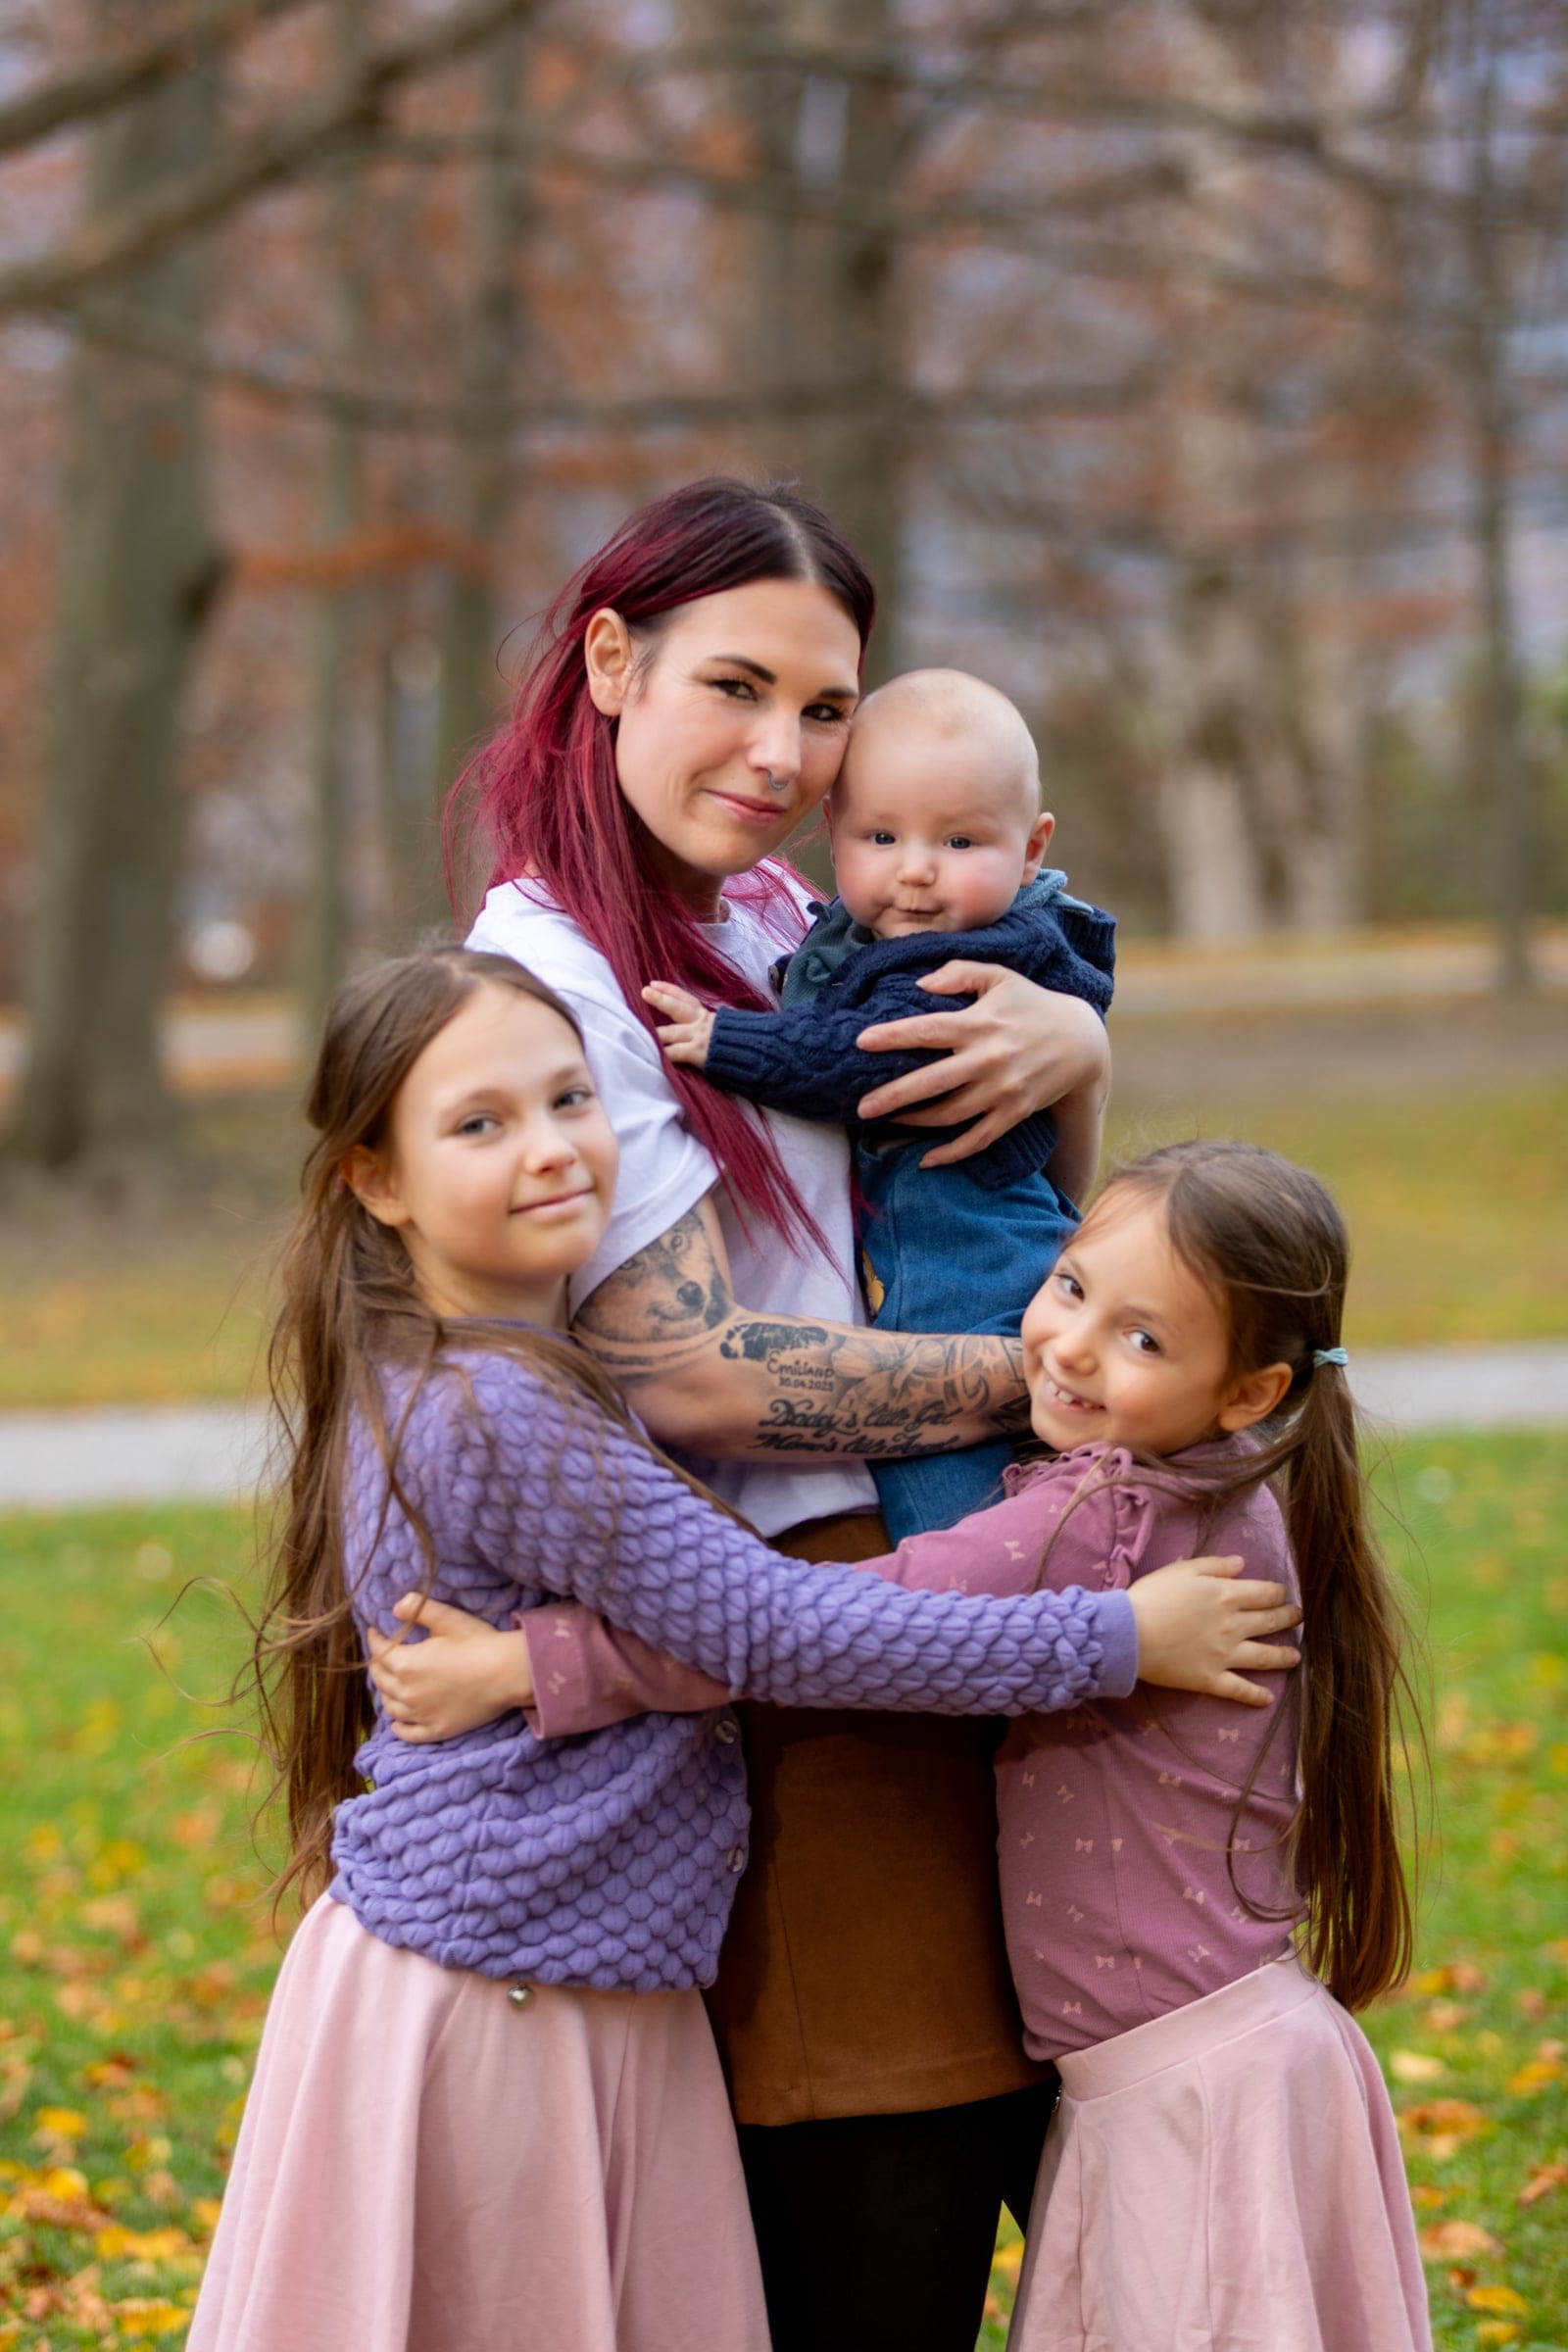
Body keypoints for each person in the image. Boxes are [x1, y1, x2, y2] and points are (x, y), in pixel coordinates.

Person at [189, 952, 1303, 2352]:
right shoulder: (502, 1409)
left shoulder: (462, 1363)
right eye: (481, 1124)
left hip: (538, 1968)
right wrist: (1116, 1636)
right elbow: (779, 1628)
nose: (553, 1148)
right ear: (378, 1179)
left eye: (571, 1099)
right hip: (506, 1990)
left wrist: (536, 1665)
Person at [454, 473, 1133, 2347]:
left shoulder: (781, 911)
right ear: (611, 662)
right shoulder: (555, 983)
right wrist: (1072, 1393)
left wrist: (1079, 1049)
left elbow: (1002, 1191)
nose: (783, 754)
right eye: (735, 688)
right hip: (801, 1674)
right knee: (874, 2224)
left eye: (824, 708)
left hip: (952, 1611)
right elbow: (697, 1371)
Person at [393, 1138, 1429, 2352]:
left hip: (1180, 2089)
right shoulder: (1231, 1489)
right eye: (1071, 1286)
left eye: (1144, 1339)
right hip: (1235, 2047)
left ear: (1251, 1391)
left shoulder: (1095, 1520)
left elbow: (803, 1629)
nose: (1071, 1347)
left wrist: (526, 1666)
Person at [643, 664, 1115, 1543]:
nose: (917, 873)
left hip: (967, 1278)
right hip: (956, 1262)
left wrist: (724, 1040)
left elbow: (854, 1058)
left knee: (956, 1521)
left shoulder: (962, 964)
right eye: (883, 837)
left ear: (1032, 849)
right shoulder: (853, 928)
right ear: (834, 833)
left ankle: (1007, 1608)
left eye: (960, 842)